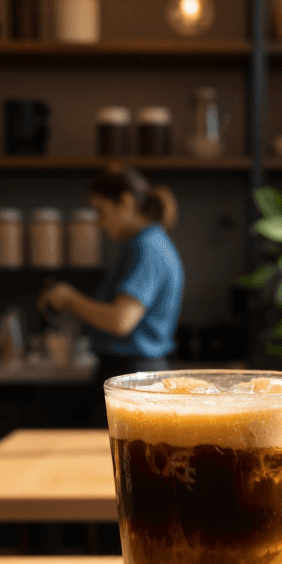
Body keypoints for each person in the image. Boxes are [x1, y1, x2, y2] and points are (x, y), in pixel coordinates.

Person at [39, 166, 184, 419]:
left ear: (125, 202)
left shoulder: (147, 246)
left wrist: (70, 299)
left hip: (133, 375)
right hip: (133, 371)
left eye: (100, 211)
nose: (98, 222)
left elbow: (121, 320)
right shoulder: (146, 243)